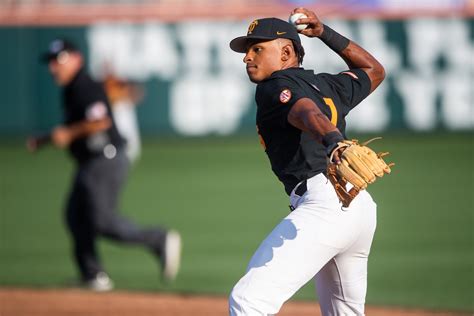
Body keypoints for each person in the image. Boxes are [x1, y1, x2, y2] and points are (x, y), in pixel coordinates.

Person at [228, 7, 385, 315]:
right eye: (247, 51)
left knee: (249, 300)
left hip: (325, 204)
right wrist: (324, 32)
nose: (248, 57)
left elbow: (305, 113)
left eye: (257, 48)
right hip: (359, 205)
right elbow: (374, 71)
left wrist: (334, 142)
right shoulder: (328, 85)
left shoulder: (274, 85)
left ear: (287, 52)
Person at [27, 39, 181, 291]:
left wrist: (68, 133)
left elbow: (100, 122)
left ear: (77, 59)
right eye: (52, 62)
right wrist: (44, 139)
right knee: (76, 216)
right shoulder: (72, 87)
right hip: (90, 161)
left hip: (104, 158)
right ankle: (93, 275)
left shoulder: (84, 85)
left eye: (60, 60)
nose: (54, 67)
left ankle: (158, 239)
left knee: (102, 221)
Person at [104, 74, 143, 165]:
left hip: (124, 111)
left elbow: (139, 94)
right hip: (116, 112)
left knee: (130, 148)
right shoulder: (106, 82)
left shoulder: (125, 102)